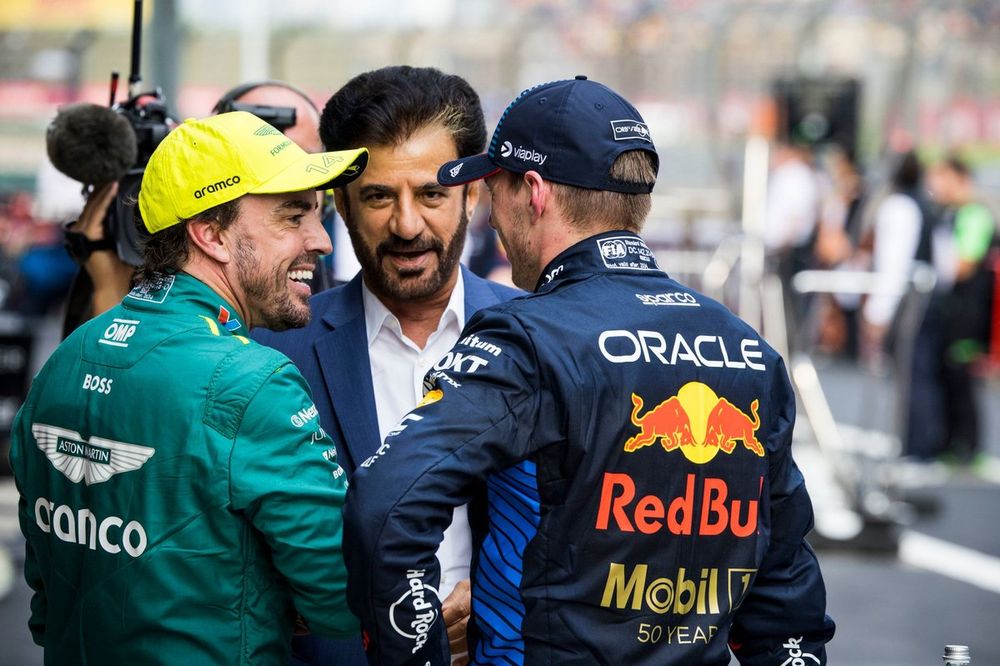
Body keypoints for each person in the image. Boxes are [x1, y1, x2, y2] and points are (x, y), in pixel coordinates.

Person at [343, 76, 836, 665]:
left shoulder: (524, 340)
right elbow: (785, 593)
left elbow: (384, 506)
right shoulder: (748, 351)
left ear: (533, 192)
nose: (492, 222)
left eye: (492, 191)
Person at [9, 110, 369, 664]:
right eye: (293, 216)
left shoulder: (67, 357)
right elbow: (342, 597)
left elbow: (47, 593)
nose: (320, 241)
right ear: (211, 233)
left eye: (317, 216)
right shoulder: (254, 381)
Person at [252, 65, 521, 666]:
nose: (406, 224)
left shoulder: (543, 336)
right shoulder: (273, 351)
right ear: (341, 205)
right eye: (378, 196)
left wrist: (503, 600)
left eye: (431, 193)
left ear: (472, 196)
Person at [62, 80, 337, 335]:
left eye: (304, 165)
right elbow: (104, 374)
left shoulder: (344, 307)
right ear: (210, 232)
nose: (293, 179)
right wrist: (107, 285)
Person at [906, 155, 997, 462]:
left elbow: (964, 264)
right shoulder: (948, 213)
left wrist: (937, 268)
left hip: (968, 315)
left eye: (940, 178)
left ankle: (967, 447)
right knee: (944, 375)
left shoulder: (974, 214)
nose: (935, 186)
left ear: (958, 178)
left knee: (962, 380)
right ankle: (947, 444)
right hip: (949, 312)